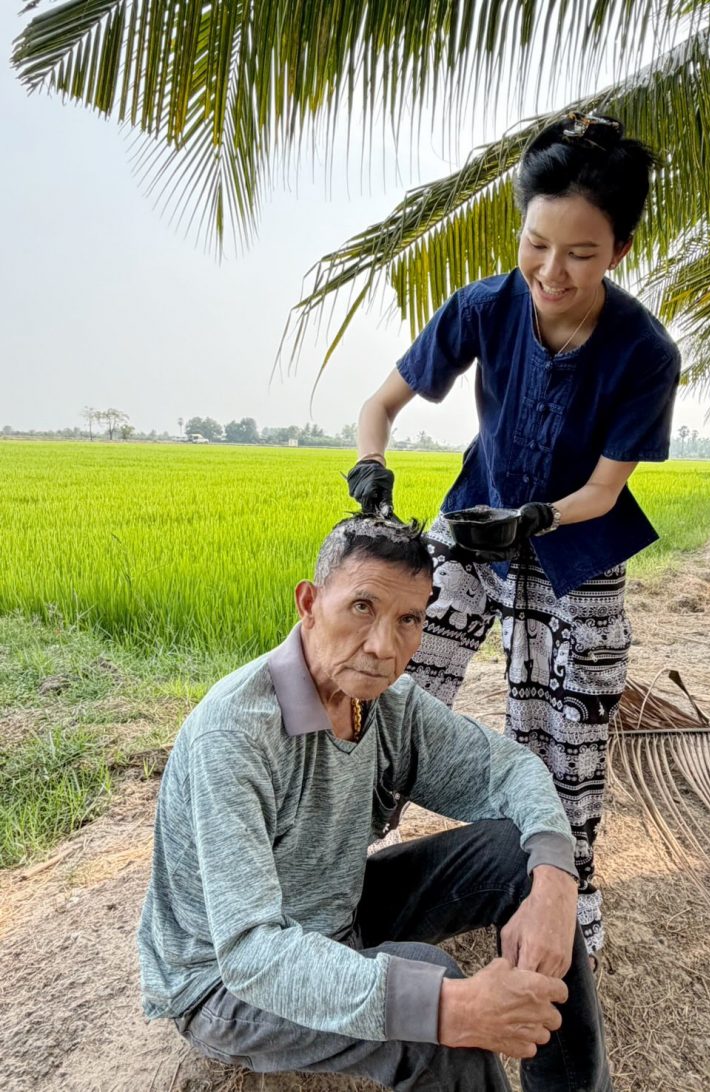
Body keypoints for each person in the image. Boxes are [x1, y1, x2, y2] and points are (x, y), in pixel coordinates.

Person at [348, 113, 681, 958]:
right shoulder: (484, 307)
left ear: (620, 251)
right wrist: (370, 468)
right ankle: (338, 855)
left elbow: (604, 491)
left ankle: (564, 892)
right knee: (391, 683)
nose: (551, 271)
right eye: (537, 244)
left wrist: (534, 517)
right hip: (474, 522)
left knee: (566, 723)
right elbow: (378, 407)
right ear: (521, 229)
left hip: (578, 545)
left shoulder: (645, 352)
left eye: (581, 253)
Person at [137, 516, 612, 1091]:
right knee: (433, 1001)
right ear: (309, 603)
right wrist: (451, 1009)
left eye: (408, 619)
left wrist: (559, 884)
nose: (385, 646)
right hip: (223, 981)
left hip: (338, 910)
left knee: (523, 852)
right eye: (362, 607)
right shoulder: (236, 737)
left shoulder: (387, 704)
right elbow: (250, 952)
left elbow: (507, 767)